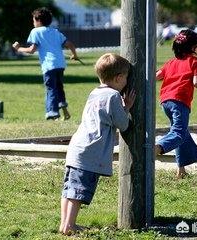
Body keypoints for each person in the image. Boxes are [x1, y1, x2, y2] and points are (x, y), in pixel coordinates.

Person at [59, 53, 136, 235]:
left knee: (69, 188)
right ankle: (70, 226)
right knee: (78, 191)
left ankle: (65, 224)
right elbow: (123, 124)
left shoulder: (95, 92)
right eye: (125, 77)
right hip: (90, 151)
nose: (126, 81)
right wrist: (127, 108)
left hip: (77, 147)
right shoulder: (113, 96)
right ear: (118, 78)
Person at [155, 29, 197, 178]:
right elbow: (196, 82)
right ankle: (156, 148)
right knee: (178, 133)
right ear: (194, 47)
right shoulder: (195, 62)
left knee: (182, 133)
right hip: (180, 101)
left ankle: (181, 170)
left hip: (165, 102)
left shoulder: (171, 62)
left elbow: (156, 76)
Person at [12, 7, 78, 120]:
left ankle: (53, 113)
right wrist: (74, 55)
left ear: (38, 20)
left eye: (33, 20)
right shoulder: (55, 31)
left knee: (51, 88)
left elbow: (32, 50)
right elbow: (70, 44)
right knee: (59, 87)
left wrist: (18, 49)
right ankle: (64, 110)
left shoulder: (35, 31)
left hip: (49, 66)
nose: (33, 23)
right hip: (60, 65)